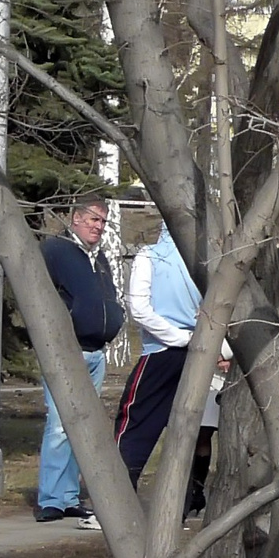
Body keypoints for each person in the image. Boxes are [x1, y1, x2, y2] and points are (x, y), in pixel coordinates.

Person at [109, 223, 225, 525]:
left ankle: (118, 502)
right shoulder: (207, 257)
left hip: (163, 352)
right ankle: (180, 503)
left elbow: (139, 307)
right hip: (199, 349)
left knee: (136, 423)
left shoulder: (152, 256)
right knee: (189, 428)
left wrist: (175, 336)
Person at [34, 196, 124, 523]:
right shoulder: (56, 251)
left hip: (95, 353)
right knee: (60, 425)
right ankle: (51, 500)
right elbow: (38, 295)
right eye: (93, 220)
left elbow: (107, 297)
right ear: (76, 219)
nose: (98, 227)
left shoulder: (98, 258)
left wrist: (117, 314)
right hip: (65, 352)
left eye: (102, 222)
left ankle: (69, 495)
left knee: (82, 426)